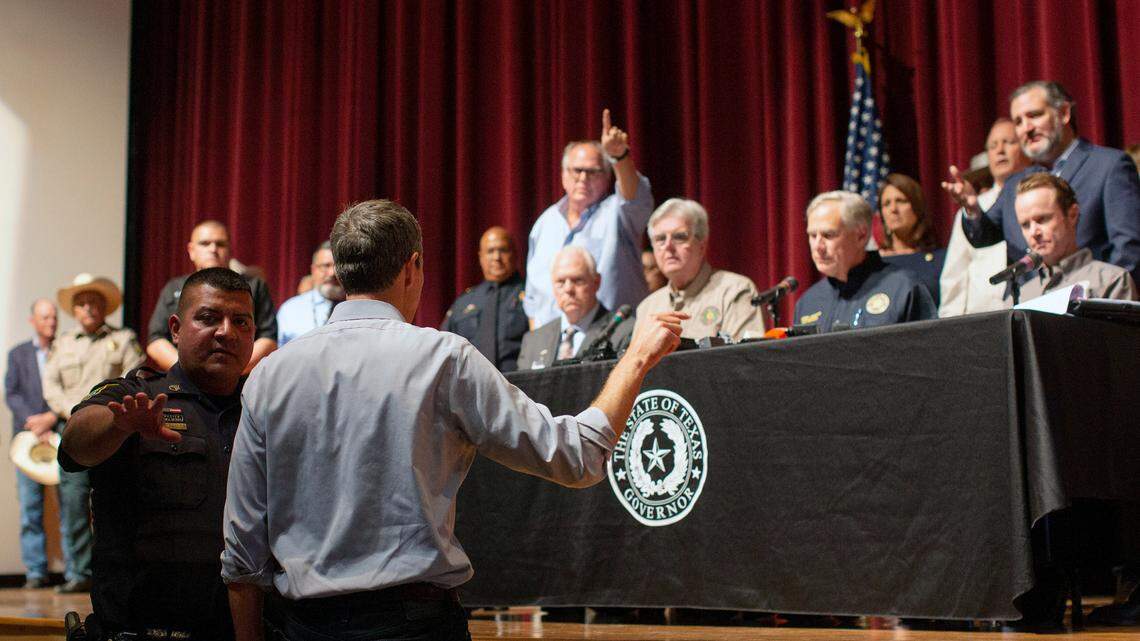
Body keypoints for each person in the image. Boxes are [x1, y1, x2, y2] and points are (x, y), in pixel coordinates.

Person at [221, 199, 684, 641]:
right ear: (412, 268)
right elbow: (574, 456)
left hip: (303, 625)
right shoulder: (444, 359)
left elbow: (242, 551)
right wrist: (637, 358)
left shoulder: (268, 376)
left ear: (341, 272)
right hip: (413, 624)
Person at [58, 268, 253, 638]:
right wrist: (120, 425)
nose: (227, 332)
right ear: (176, 328)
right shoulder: (139, 394)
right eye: (209, 318)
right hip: (142, 628)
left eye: (240, 321)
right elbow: (74, 446)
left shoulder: (265, 406)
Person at [942, 80, 1140, 284]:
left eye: (1034, 115)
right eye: (1018, 121)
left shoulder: (1108, 165)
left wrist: (1108, 302)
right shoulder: (1015, 184)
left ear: (1063, 113)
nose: (1026, 128)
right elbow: (983, 236)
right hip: (1029, 305)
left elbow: (1129, 248)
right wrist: (972, 208)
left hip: (1091, 304)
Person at [42, 274, 146, 594]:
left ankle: (114, 571)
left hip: (114, 429)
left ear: (105, 307)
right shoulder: (63, 344)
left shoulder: (124, 339)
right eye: (82, 303)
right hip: (71, 429)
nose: (89, 308)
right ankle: (79, 573)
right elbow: (51, 385)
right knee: (73, 503)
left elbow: (136, 375)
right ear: (74, 310)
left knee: (114, 500)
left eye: (95, 302)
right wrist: (72, 412)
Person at [525, 109, 654, 326]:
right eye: (576, 170)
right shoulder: (545, 224)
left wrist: (619, 157)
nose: (583, 178)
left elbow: (634, 198)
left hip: (612, 339)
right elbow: (533, 301)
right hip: (555, 347)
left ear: (606, 176)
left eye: (593, 172)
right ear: (563, 174)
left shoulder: (617, 213)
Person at [795, 191, 937, 332]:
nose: (818, 247)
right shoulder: (807, 302)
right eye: (813, 236)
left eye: (828, 235)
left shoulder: (903, 287)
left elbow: (930, 349)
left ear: (861, 236)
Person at [147, 220, 277, 372]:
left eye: (220, 244)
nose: (213, 249)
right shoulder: (173, 288)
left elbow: (268, 339)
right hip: (184, 384)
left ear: (230, 250)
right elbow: (156, 340)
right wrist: (190, 372)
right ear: (191, 250)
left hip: (240, 383)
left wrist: (230, 371)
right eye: (205, 243)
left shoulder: (254, 286)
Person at [635, 198, 765, 340]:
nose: (668, 246)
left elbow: (744, 358)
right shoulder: (647, 308)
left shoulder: (735, 291)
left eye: (679, 237)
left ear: (702, 245)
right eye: (660, 239)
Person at [940, 118, 1032, 316]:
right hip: (981, 318)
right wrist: (949, 325)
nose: (1000, 150)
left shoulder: (1039, 199)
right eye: (993, 145)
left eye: (1009, 142)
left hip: (1029, 308)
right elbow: (954, 275)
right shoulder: (973, 208)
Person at [4, 299, 59, 589]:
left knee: (72, 509)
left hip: (60, 434)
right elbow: (11, 393)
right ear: (32, 321)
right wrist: (34, 422)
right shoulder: (17, 354)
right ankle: (36, 573)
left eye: (54, 317)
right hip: (26, 440)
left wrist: (51, 419)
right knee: (30, 509)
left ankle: (77, 574)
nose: (51, 322)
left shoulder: (65, 350)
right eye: (45, 317)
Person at [1014, 174, 1136, 301]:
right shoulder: (1019, 297)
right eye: (1025, 225)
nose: (1034, 232)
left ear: (1072, 215)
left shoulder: (1111, 281)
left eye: (1042, 219)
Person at [518, 246, 634, 370]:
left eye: (577, 280)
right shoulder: (533, 341)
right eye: (561, 282)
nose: (568, 289)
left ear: (596, 282)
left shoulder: (625, 331)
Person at [440, 226, 529, 372]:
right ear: (480, 257)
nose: (496, 257)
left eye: (503, 250)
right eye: (490, 251)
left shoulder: (531, 295)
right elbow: (445, 348)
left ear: (515, 254)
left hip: (521, 386)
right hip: (472, 389)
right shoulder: (464, 302)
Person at [877, 173, 947, 305]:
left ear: (917, 206)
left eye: (901, 201)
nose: (893, 209)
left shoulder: (941, 259)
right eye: (886, 204)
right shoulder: (873, 263)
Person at [276, 241, 346, 345]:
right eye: (326, 266)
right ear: (313, 270)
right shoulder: (291, 309)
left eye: (339, 266)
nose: (332, 273)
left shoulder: (359, 306)